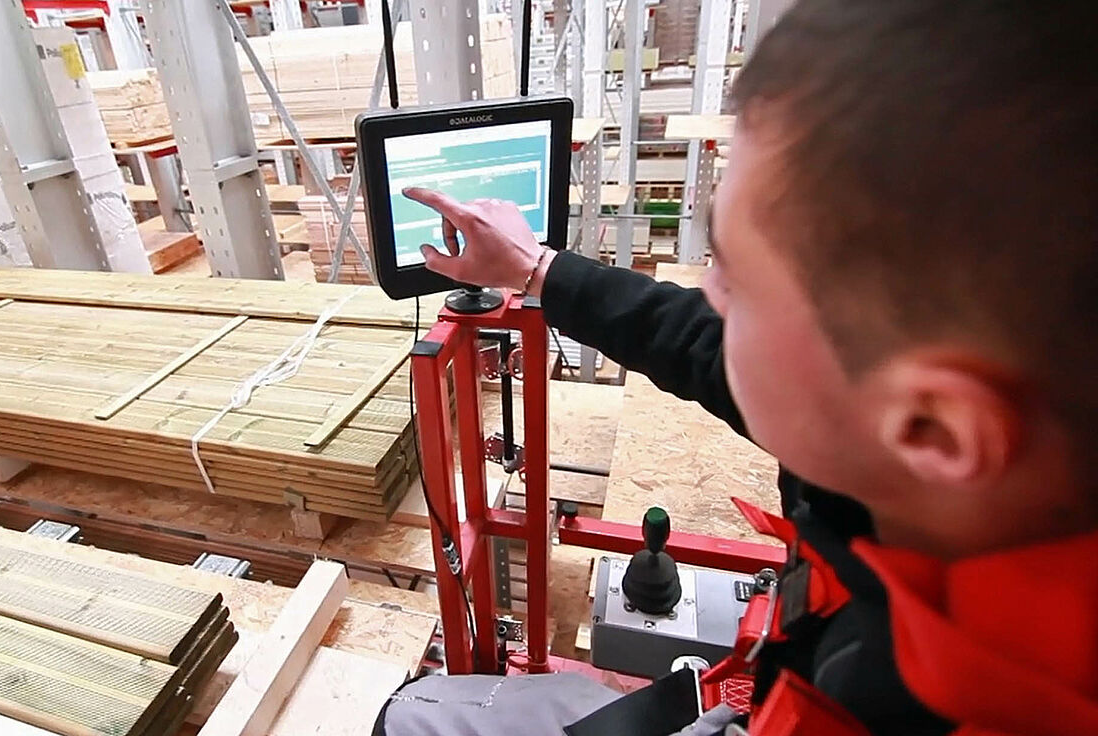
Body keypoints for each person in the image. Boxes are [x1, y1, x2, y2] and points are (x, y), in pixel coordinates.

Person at [375, 1, 1098, 734]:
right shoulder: (935, 468)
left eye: (737, 280)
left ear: (932, 427)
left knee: (412, 718)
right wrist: (539, 269)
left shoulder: (918, 699)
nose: (707, 297)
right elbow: (703, 345)